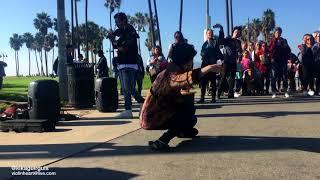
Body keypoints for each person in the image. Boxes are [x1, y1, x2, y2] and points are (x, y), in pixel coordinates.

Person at [139, 43, 222, 151]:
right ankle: (162, 141)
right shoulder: (171, 75)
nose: (192, 63)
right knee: (187, 112)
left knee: (192, 119)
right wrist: (210, 68)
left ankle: (182, 131)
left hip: (153, 113)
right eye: (191, 60)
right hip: (151, 118)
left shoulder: (168, 71)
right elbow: (188, 77)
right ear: (185, 61)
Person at [108, 12, 145, 118]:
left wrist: (113, 40)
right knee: (128, 88)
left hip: (129, 63)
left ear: (124, 20)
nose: (116, 24)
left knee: (127, 88)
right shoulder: (123, 31)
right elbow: (116, 46)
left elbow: (123, 48)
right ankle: (131, 109)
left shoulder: (130, 31)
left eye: (117, 21)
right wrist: (113, 39)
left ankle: (139, 104)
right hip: (124, 63)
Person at [198, 25, 224, 103]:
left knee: (213, 82)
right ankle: (202, 98)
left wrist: (221, 30)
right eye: (208, 33)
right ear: (206, 34)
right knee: (203, 82)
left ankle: (213, 98)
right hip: (205, 65)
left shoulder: (215, 42)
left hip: (212, 65)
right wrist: (202, 54)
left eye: (211, 33)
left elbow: (221, 39)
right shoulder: (204, 44)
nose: (210, 34)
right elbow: (202, 52)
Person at [218, 26, 242, 99]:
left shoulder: (238, 42)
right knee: (224, 76)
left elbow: (240, 51)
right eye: (235, 32)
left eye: (238, 33)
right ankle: (218, 92)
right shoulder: (228, 39)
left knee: (232, 77)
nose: (236, 34)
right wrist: (221, 30)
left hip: (234, 62)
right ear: (233, 32)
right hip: (226, 61)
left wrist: (239, 56)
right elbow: (220, 41)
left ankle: (230, 93)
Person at [269, 27, 291, 98]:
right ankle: (274, 92)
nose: (278, 34)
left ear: (281, 33)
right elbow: (270, 49)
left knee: (284, 76)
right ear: (274, 33)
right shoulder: (272, 40)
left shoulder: (284, 40)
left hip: (283, 61)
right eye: (276, 32)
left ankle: (285, 91)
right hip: (274, 61)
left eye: (279, 32)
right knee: (274, 76)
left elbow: (288, 50)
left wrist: (283, 47)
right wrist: (275, 41)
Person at [312, 31, 320, 95]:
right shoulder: (314, 46)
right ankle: (317, 90)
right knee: (318, 78)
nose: (319, 38)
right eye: (318, 37)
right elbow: (312, 55)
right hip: (317, 64)